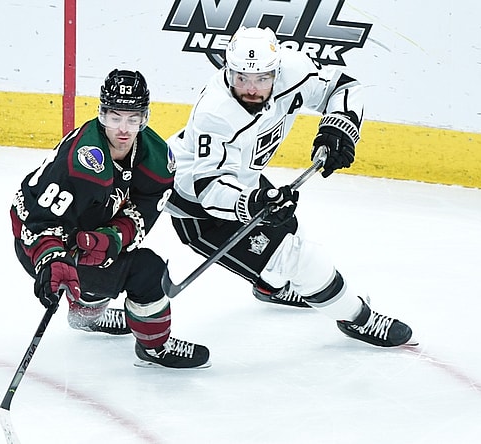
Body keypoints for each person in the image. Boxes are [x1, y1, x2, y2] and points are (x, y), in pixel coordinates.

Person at [165, 27, 413, 347]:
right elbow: (210, 189)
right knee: (300, 260)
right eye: (242, 78)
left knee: (291, 231)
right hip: (200, 209)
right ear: (228, 70)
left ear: (277, 70)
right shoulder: (215, 113)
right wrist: (254, 203)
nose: (251, 89)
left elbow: (342, 86)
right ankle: (358, 318)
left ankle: (271, 287)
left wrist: (338, 127)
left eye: (262, 78)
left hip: (245, 180)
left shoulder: (293, 70)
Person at [10, 69, 210, 368]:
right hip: (40, 245)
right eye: (115, 117)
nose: (123, 129)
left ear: (145, 117)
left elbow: (144, 209)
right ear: (102, 114)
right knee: (148, 271)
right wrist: (53, 259)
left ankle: (85, 312)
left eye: (133, 118)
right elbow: (37, 223)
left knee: (105, 250)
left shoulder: (156, 156)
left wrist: (114, 237)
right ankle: (155, 348)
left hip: (88, 229)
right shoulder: (81, 162)